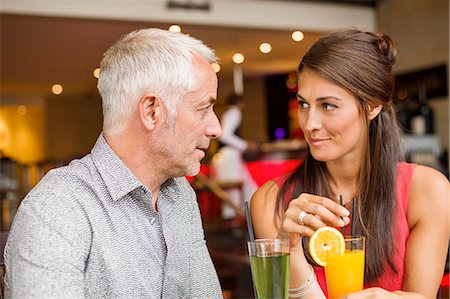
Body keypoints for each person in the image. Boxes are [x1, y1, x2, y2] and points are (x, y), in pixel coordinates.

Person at [4, 28, 224, 298]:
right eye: (203, 108)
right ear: (151, 111)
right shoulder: (57, 207)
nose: (216, 128)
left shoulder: (181, 195)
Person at [251, 28, 449, 298]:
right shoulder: (271, 200)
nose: (310, 124)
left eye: (328, 105)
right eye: (304, 104)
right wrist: (292, 249)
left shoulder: (427, 191)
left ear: (373, 106)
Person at [212, 93, 258, 220]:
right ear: (240, 103)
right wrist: (244, 145)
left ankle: (241, 220)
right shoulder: (234, 113)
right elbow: (225, 135)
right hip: (229, 156)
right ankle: (237, 224)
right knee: (234, 192)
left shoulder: (227, 113)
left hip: (225, 156)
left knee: (238, 191)